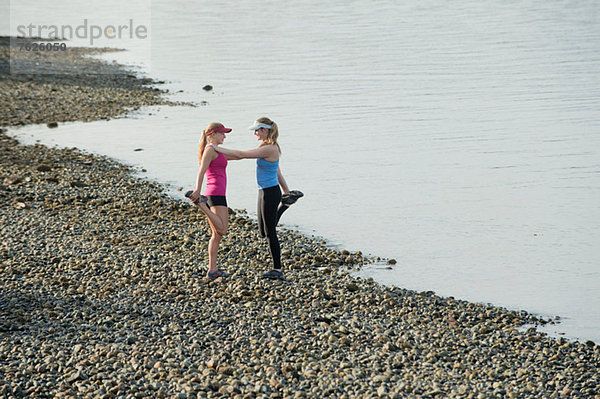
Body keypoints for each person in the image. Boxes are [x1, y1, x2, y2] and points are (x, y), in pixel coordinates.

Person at [210, 117, 303, 280]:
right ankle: (286, 204)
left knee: (270, 232)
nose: (255, 133)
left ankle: (277, 269)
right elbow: (277, 172)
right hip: (264, 191)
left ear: (265, 130)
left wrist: (215, 147)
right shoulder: (265, 146)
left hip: (271, 193)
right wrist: (287, 191)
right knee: (263, 231)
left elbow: (241, 155)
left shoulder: (271, 149)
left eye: (257, 130)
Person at [188, 122, 239, 280]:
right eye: (222, 133)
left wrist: (257, 154)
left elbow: (237, 156)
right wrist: (197, 191)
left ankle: (212, 270)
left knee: (216, 235)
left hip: (216, 193)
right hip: (215, 194)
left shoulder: (217, 150)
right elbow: (201, 170)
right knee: (222, 230)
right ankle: (201, 205)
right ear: (212, 134)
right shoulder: (210, 149)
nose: (225, 136)